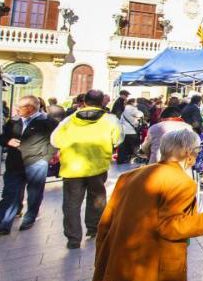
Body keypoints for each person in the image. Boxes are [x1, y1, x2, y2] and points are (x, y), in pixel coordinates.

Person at [92, 128, 203, 281]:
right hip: (152, 271)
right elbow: (172, 226)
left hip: (120, 265)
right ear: (189, 153)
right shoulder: (181, 182)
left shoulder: (129, 176)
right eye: (197, 151)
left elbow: (105, 222)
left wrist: (102, 259)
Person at [50, 89, 123, 249]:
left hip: (72, 167)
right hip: (98, 165)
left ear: (84, 102)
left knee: (71, 203)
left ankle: (73, 238)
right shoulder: (110, 120)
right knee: (97, 199)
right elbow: (118, 139)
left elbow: (55, 140)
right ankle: (94, 229)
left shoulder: (69, 119)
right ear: (103, 102)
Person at [0, 96, 59, 234]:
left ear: (31, 108)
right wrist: (8, 141)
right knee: (10, 192)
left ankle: (29, 218)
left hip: (36, 163)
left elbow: (56, 141)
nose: (16, 109)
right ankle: (4, 223)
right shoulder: (14, 121)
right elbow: (3, 137)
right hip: (15, 162)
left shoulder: (47, 121)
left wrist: (47, 156)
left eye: (20, 107)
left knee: (34, 193)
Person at [118, 98, 144, 165]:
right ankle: (133, 159)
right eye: (136, 102)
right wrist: (141, 112)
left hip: (122, 130)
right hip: (131, 131)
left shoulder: (124, 108)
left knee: (123, 146)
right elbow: (139, 114)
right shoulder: (131, 109)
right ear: (132, 103)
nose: (137, 104)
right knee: (134, 146)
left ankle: (121, 159)